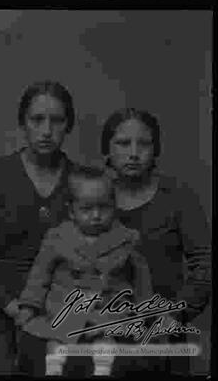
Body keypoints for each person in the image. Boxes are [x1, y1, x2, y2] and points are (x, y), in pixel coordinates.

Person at [0, 80, 78, 374]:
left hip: (56, 316)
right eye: (37, 120)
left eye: (57, 120)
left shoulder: (82, 182)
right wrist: (9, 304)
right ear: (23, 124)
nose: (47, 130)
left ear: (69, 126)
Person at [100, 108, 211, 375]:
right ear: (107, 149)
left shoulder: (178, 198)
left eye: (144, 143)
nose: (134, 153)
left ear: (156, 149)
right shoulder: (91, 198)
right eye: (123, 143)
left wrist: (174, 315)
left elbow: (205, 264)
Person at [14, 166, 153, 377]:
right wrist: (29, 306)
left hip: (107, 307)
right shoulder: (57, 238)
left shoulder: (126, 239)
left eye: (104, 208)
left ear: (114, 206)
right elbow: (39, 276)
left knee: (106, 338)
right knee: (56, 338)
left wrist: (144, 311)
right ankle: (53, 369)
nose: (96, 216)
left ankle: (103, 369)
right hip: (65, 307)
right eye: (87, 209)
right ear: (72, 210)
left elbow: (141, 278)